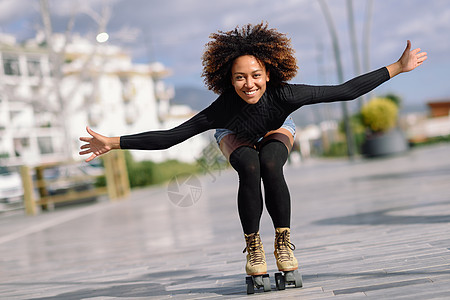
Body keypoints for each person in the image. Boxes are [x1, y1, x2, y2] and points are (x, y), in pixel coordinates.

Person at [79, 23, 427, 278]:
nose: (250, 84)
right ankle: (254, 247)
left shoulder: (284, 94)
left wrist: (397, 67)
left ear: (268, 72)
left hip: (277, 127)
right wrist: (113, 141)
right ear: (228, 81)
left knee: (272, 165)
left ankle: (282, 241)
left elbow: (344, 91)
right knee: (250, 166)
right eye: (240, 78)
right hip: (234, 132)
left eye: (256, 75)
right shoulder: (223, 109)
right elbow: (171, 137)